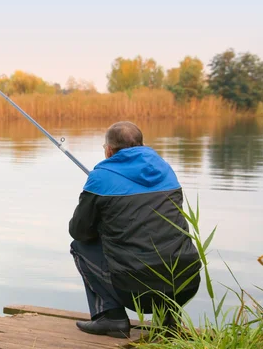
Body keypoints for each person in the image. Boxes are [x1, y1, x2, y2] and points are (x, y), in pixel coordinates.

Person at [69, 121, 201, 338]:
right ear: (142, 145)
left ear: (109, 150)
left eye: (105, 148)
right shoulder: (165, 169)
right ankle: (168, 319)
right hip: (184, 283)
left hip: (135, 291)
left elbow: (79, 231)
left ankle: (112, 318)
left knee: (80, 246)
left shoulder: (100, 178)